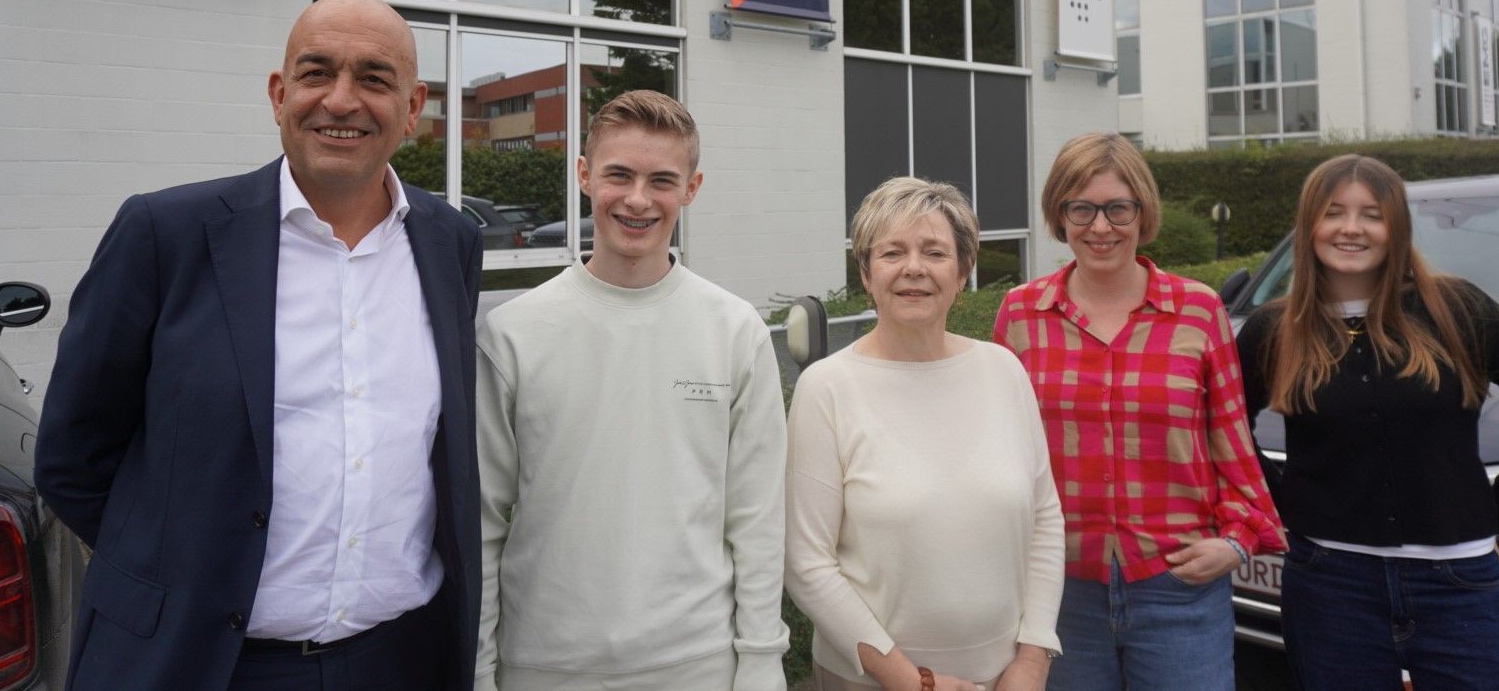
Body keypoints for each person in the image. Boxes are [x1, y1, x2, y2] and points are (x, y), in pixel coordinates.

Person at [34, 0, 485, 690]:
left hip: (401, 661)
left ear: (413, 105)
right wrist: (176, 572)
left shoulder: (449, 241)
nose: (341, 100)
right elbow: (72, 457)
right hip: (202, 665)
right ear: (279, 95)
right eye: (316, 73)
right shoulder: (166, 235)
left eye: (373, 77)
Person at [1237, 154, 1499, 690]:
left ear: (1395, 227)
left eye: (1371, 214)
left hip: (1459, 584)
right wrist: (1288, 501)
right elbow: (1225, 429)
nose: (1351, 228)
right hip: (1332, 587)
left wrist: (1493, 508)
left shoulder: (1457, 309)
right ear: (1310, 224)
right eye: (1333, 212)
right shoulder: (1273, 329)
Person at [475, 89, 788, 691]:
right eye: (619, 175)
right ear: (586, 177)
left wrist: (761, 662)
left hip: (698, 665)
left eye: (662, 180)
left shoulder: (734, 330)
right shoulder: (512, 334)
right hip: (543, 667)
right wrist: (479, 669)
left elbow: (756, 519)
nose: (638, 199)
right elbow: (482, 523)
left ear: (692, 189)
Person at [993, 132, 1283, 691]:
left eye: (1117, 208)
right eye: (1081, 208)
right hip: (1059, 590)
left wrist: (1237, 541)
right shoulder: (1021, 313)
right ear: (1060, 215)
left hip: (1179, 586)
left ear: (1142, 211)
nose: (1100, 227)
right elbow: (1000, 448)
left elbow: (1231, 440)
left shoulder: (1197, 311)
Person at [786, 176, 1064, 691]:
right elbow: (807, 563)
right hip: (869, 682)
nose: (914, 268)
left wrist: (1034, 658)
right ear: (867, 274)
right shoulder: (828, 388)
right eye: (892, 252)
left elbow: (1046, 519)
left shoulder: (1003, 370)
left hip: (1006, 680)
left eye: (934, 252)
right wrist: (913, 682)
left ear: (962, 272)